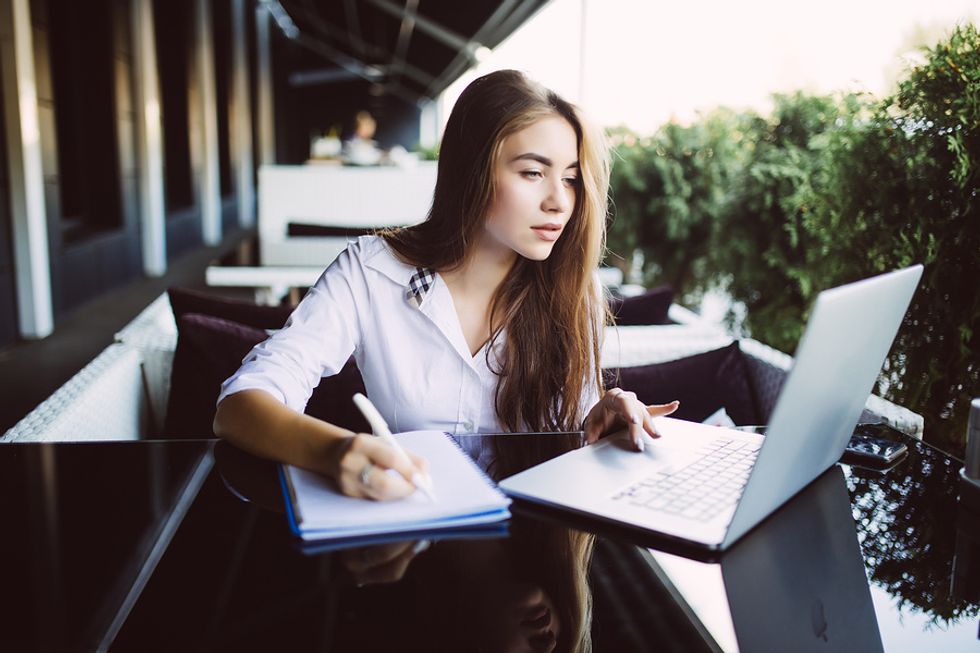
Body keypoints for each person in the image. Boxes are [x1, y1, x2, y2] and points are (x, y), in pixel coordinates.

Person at [213, 69, 678, 501]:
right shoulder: (371, 271)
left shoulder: (577, 293)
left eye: (572, 179)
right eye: (533, 173)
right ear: (471, 171)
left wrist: (605, 412)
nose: (559, 201)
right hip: (411, 535)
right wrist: (336, 452)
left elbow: (571, 438)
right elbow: (241, 405)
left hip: (532, 546)